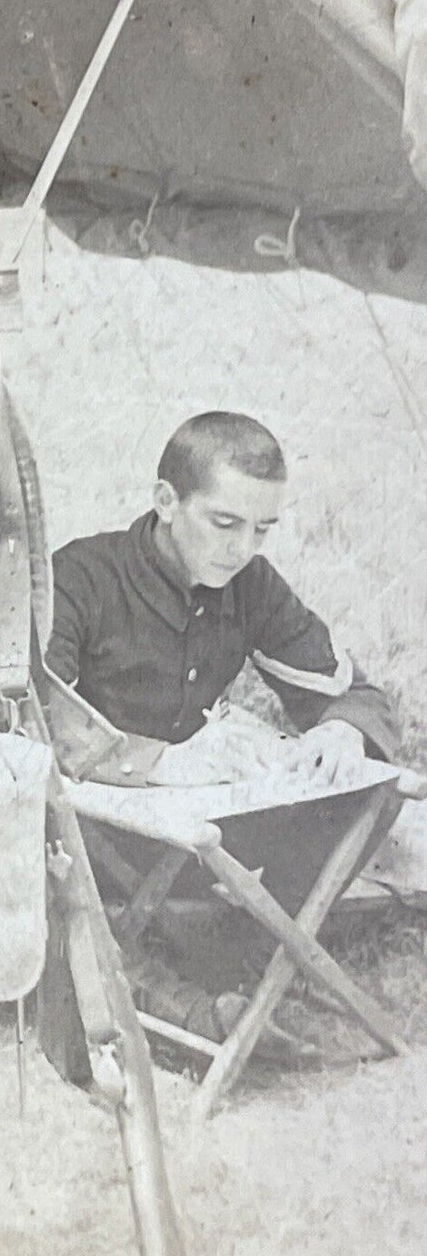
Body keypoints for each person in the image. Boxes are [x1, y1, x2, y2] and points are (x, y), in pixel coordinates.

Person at [45, 411, 401, 1053]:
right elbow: (35, 721)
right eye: (225, 523)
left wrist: (341, 733)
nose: (242, 548)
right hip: (105, 846)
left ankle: (258, 959)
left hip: (204, 842)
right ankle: (183, 1003)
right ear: (165, 502)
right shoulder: (81, 577)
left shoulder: (251, 583)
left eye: (263, 529)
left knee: (369, 793)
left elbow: (358, 695)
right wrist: (159, 762)